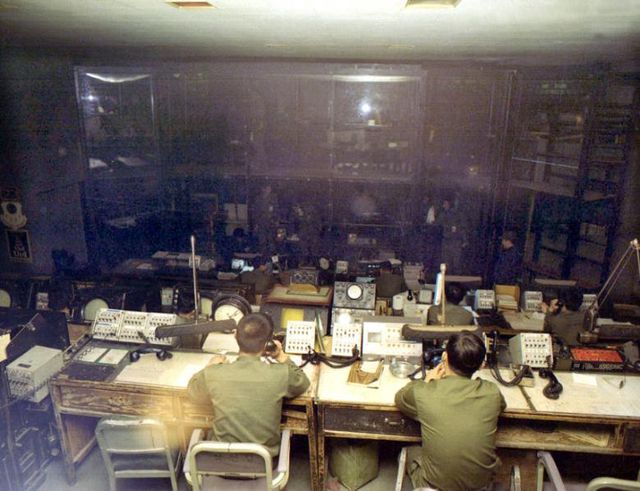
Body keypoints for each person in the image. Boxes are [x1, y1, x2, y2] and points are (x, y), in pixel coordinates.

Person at [395, 331, 506, 491]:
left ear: (444, 357)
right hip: (481, 486)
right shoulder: (492, 391)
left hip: (435, 487)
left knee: (409, 451)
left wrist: (427, 380)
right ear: (482, 365)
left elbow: (400, 398)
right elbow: (501, 406)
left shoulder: (424, 392)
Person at [187, 313, 310, 456]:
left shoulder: (213, 373)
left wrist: (209, 367)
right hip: (262, 462)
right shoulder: (280, 374)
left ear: (235, 336)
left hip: (219, 460)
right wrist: (280, 356)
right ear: (268, 343)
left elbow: (193, 392)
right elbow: (302, 382)